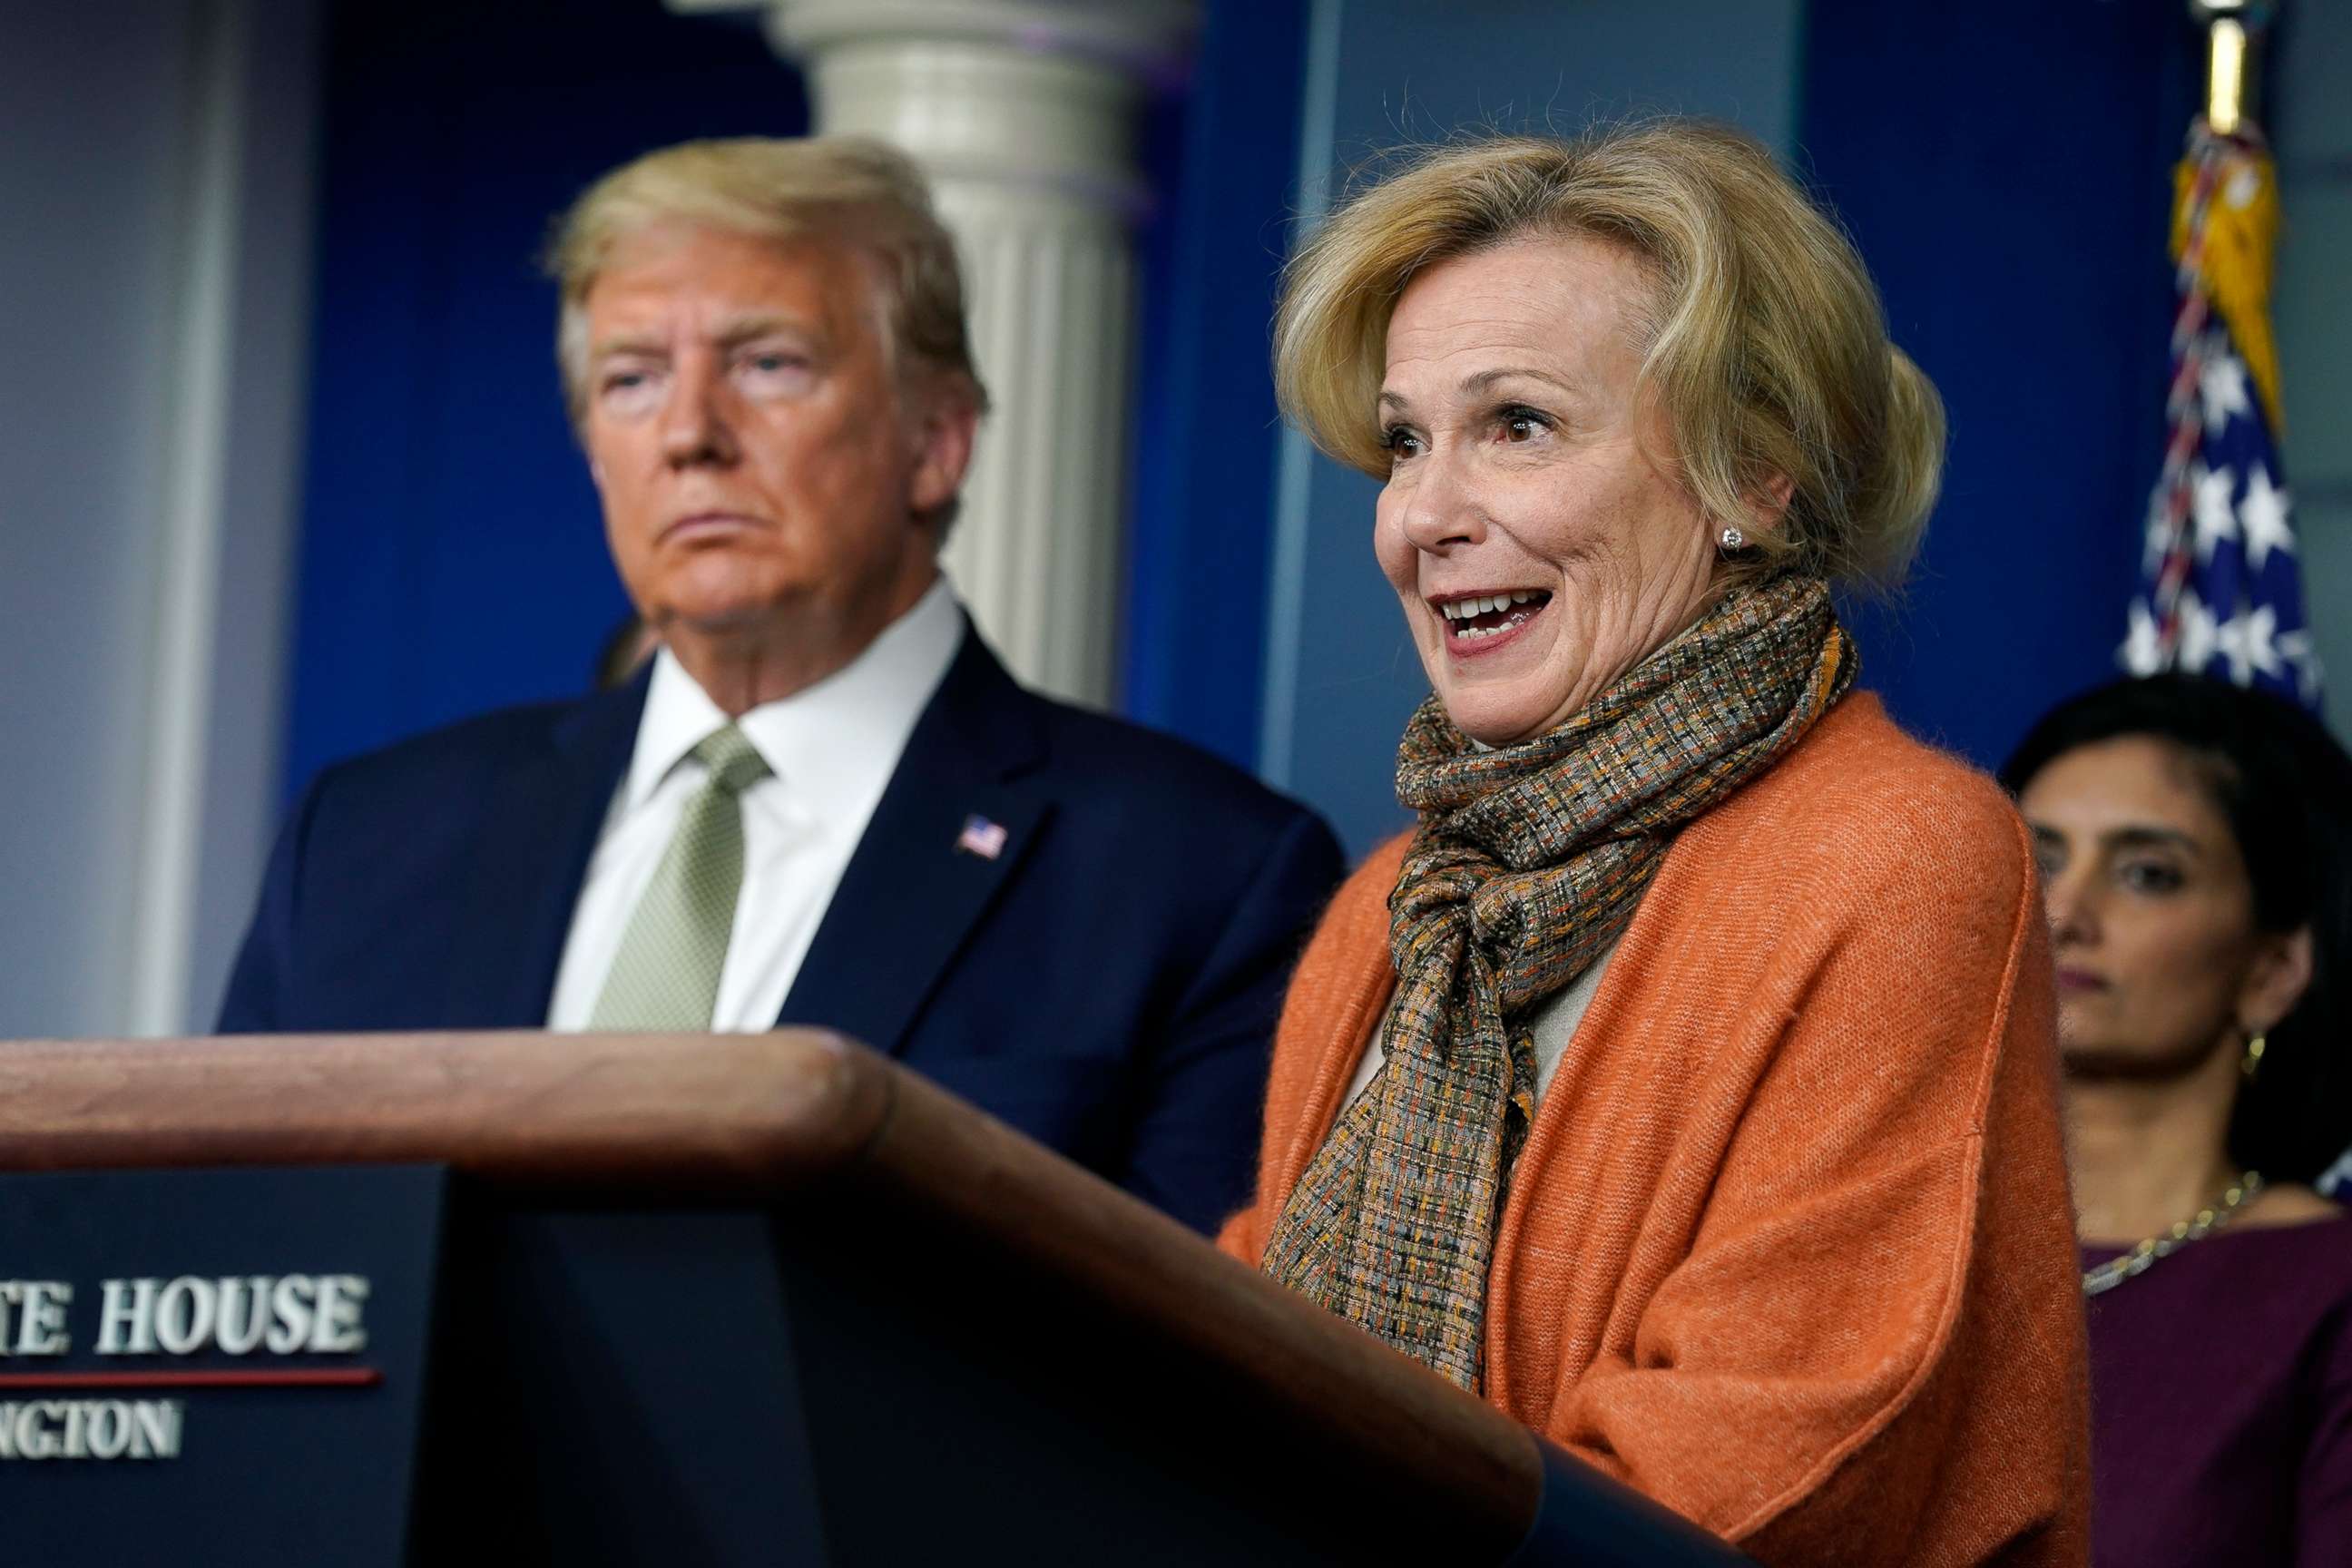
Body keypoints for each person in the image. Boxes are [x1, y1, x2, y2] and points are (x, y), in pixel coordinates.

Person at [1215, 121, 2088, 1563]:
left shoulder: (1901, 855)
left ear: (1754, 474)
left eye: (1519, 425)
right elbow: (1250, 1342)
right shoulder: (1395, 903)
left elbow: (1777, 1456)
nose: (1422, 517)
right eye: (1405, 441)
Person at [217, 137, 1344, 1235]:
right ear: (594, 448)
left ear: (936, 441)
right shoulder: (365, 843)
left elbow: (1184, 1382)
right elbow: (231, 1272)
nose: (691, 435)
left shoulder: (1204, 879)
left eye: (768, 365)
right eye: (632, 379)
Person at [2003, 674, 2352, 1568]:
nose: (2065, 913)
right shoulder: (1872, 1231)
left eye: (2147, 874)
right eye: (2035, 860)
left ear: (2274, 970)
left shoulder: (2326, 1293)